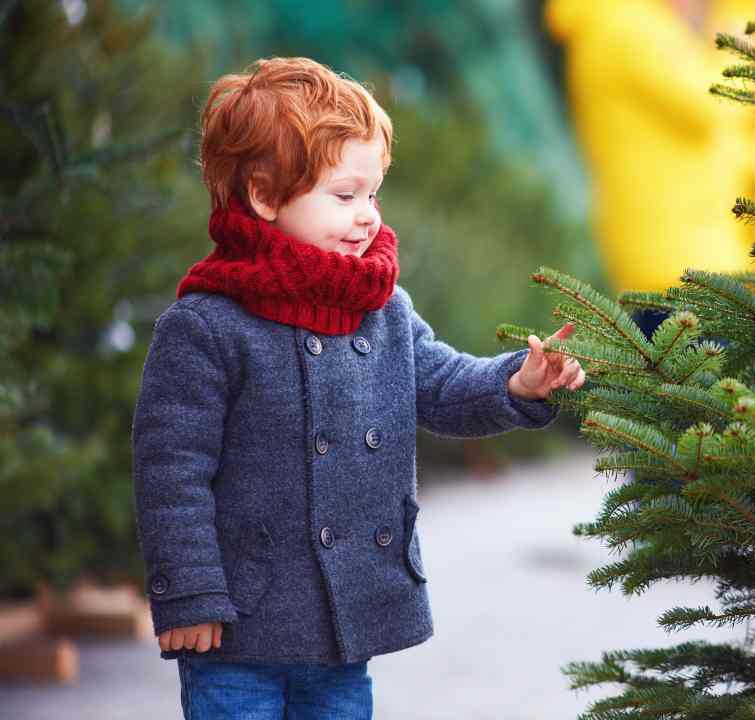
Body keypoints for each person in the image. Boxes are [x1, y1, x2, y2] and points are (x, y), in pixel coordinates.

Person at [130, 56, 586, 719]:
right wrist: (189, 595)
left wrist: (519, 379)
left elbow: (440, 383)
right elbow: (171, 472)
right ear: (263, 196)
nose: (367, 216)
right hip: (237, 629)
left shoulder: (382, 308)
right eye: (344, 196)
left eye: (373, 193)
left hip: (343, 626)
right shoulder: (206, 325)